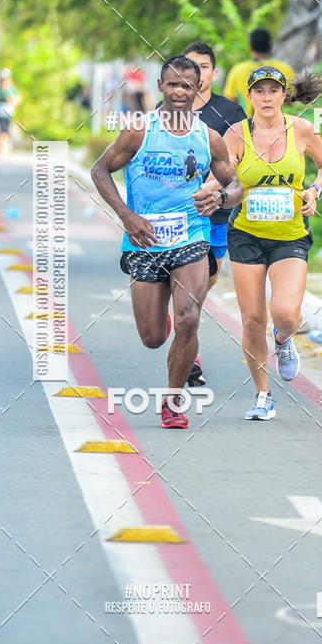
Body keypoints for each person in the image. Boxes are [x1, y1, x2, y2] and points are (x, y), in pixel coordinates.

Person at [91, 56, 243, 429]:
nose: (179, 91)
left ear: (197, 90)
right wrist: (126, 215)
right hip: (145, 241)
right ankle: (176, 348)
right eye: (172, 84)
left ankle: (173, 401)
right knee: (153, 337)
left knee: (188, 318)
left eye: (186, 86)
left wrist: (221, 200)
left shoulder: (208, 139)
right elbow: (100, 170)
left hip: (191, 237)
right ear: (160, 87)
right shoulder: (139, 131)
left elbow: (235, 185)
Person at [207, 64, 322, 421]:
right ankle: (263, 394)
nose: (266, 97)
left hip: (290, 234)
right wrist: (207, 192)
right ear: (249, 96)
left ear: (283, 95)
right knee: (252, 320)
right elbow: (222, 177)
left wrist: (315, 189)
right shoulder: (235, 133)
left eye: (273, 91)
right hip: (246, 234)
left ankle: (283, 340)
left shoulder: (302, 130)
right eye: (259, 91)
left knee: (285, 315)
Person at [183, 41, 245, 287]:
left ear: (214, 73)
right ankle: (170, 320)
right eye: (191, 66)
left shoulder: (231, 112)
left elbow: (237, 160)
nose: (198, 72)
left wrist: (207, 190)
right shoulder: (165, 109)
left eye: (204, 66)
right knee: (176, 278)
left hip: (215, 212)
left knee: (206, 281)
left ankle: (185, 321)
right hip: (176, 210)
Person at [223, 28, 295, 116]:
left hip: (247, 126)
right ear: (270, 46)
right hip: (281, 126)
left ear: (250, 47)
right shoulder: (285, 69)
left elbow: (229, 104)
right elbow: (293, 103)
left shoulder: (238, 70)